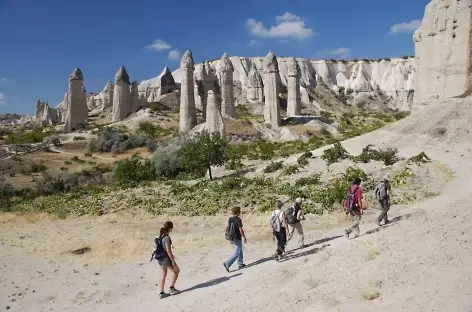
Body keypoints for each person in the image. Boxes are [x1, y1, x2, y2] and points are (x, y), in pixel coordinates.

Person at [157, 221, 181, 299]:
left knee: (163, 275)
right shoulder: (167, 238)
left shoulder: (161, 236)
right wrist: (173, 261)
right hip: (166, 258)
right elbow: (168, 251)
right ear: (170, 228)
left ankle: (161, 293)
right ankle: (172, 288)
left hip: (160, 258)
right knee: (176, 271)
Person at [223, 207, 247, 272]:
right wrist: (244, 237)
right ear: (238, 212)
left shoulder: (230, 219)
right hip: (237, 237)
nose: (240, 212)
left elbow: (230, 228)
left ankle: (240, 263)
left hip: (232, 237)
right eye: (240, 211)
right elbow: (241, 230)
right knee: (238, 251)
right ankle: (227, 263)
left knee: (239, 249)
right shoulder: (238, 220)